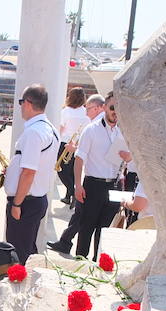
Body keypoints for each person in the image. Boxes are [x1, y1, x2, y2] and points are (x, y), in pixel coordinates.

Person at [4, 85, 60, 264]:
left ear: (27, 103)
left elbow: (28, 172)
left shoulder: (34, 132)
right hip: (35, 200)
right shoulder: (50, 129)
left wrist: (16, 204)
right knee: (27, 252)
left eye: (21, 102)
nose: (20, 106)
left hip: (25, 202)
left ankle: (18, 290)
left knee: (18, 256)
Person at [68, 91, 126, 259]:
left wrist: (128, 158)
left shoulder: (123, 130)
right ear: (105, 108)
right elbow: (79, 159)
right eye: (113, 107)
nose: (116, 111)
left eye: (119, 108)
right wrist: (77, 186)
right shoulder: (91, 130)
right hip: (93, 185)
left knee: (106, 231)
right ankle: (80, 264)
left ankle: (99, 265)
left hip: (115, 185)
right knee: (87, 228)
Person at [46, 94, 106, 255]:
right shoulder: (96, 123)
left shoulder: (97, 124)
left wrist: (75, 149)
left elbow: (91, 151)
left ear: (99, 107)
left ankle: (66, 242)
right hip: (97, 177)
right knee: (82, 215)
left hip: (94, 177)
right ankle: (66, 241)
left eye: (89, 109)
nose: (87, 112)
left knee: (82, 215)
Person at [56, 87, 87, 205]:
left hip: (65, 143)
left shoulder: (65, 111)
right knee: (73, 172)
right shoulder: (85, 112)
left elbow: (61, 128)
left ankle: (72, 192)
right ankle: (68, 196)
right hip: (78, 144)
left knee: (61, 171)